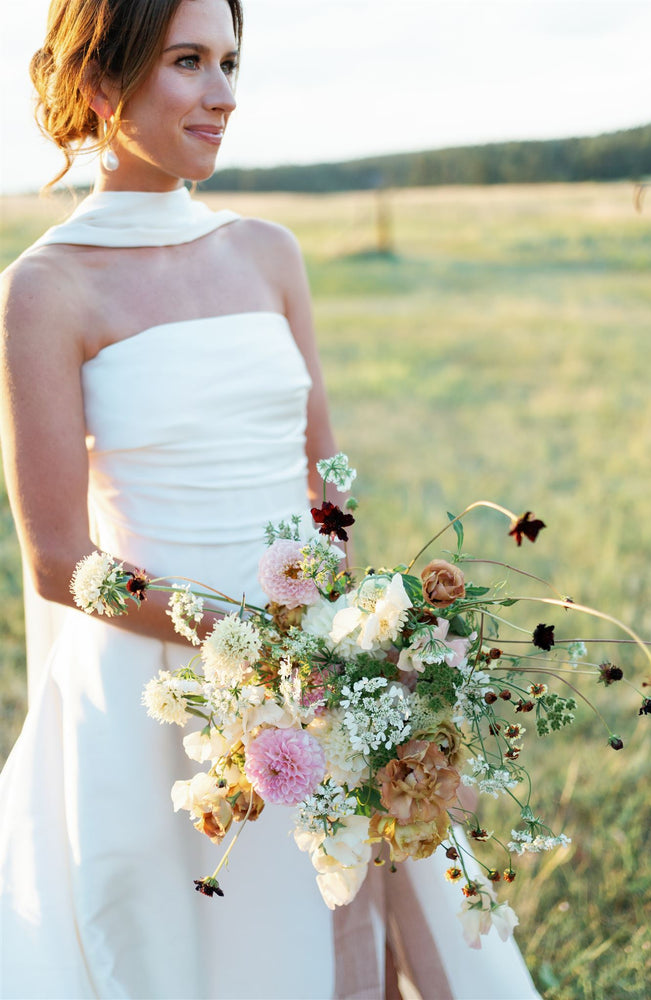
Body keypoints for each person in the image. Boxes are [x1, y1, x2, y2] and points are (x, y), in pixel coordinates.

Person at [0, 1, 541, 997]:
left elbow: (324, 474)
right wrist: (250, 643)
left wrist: (362, 621)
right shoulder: (47, 289)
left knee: (359, 920)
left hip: (324, 655)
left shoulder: (268, 253)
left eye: (232, 63)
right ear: (99, 84)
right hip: (168, 687)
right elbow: (55, 559)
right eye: (189, 63)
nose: (223, 95)